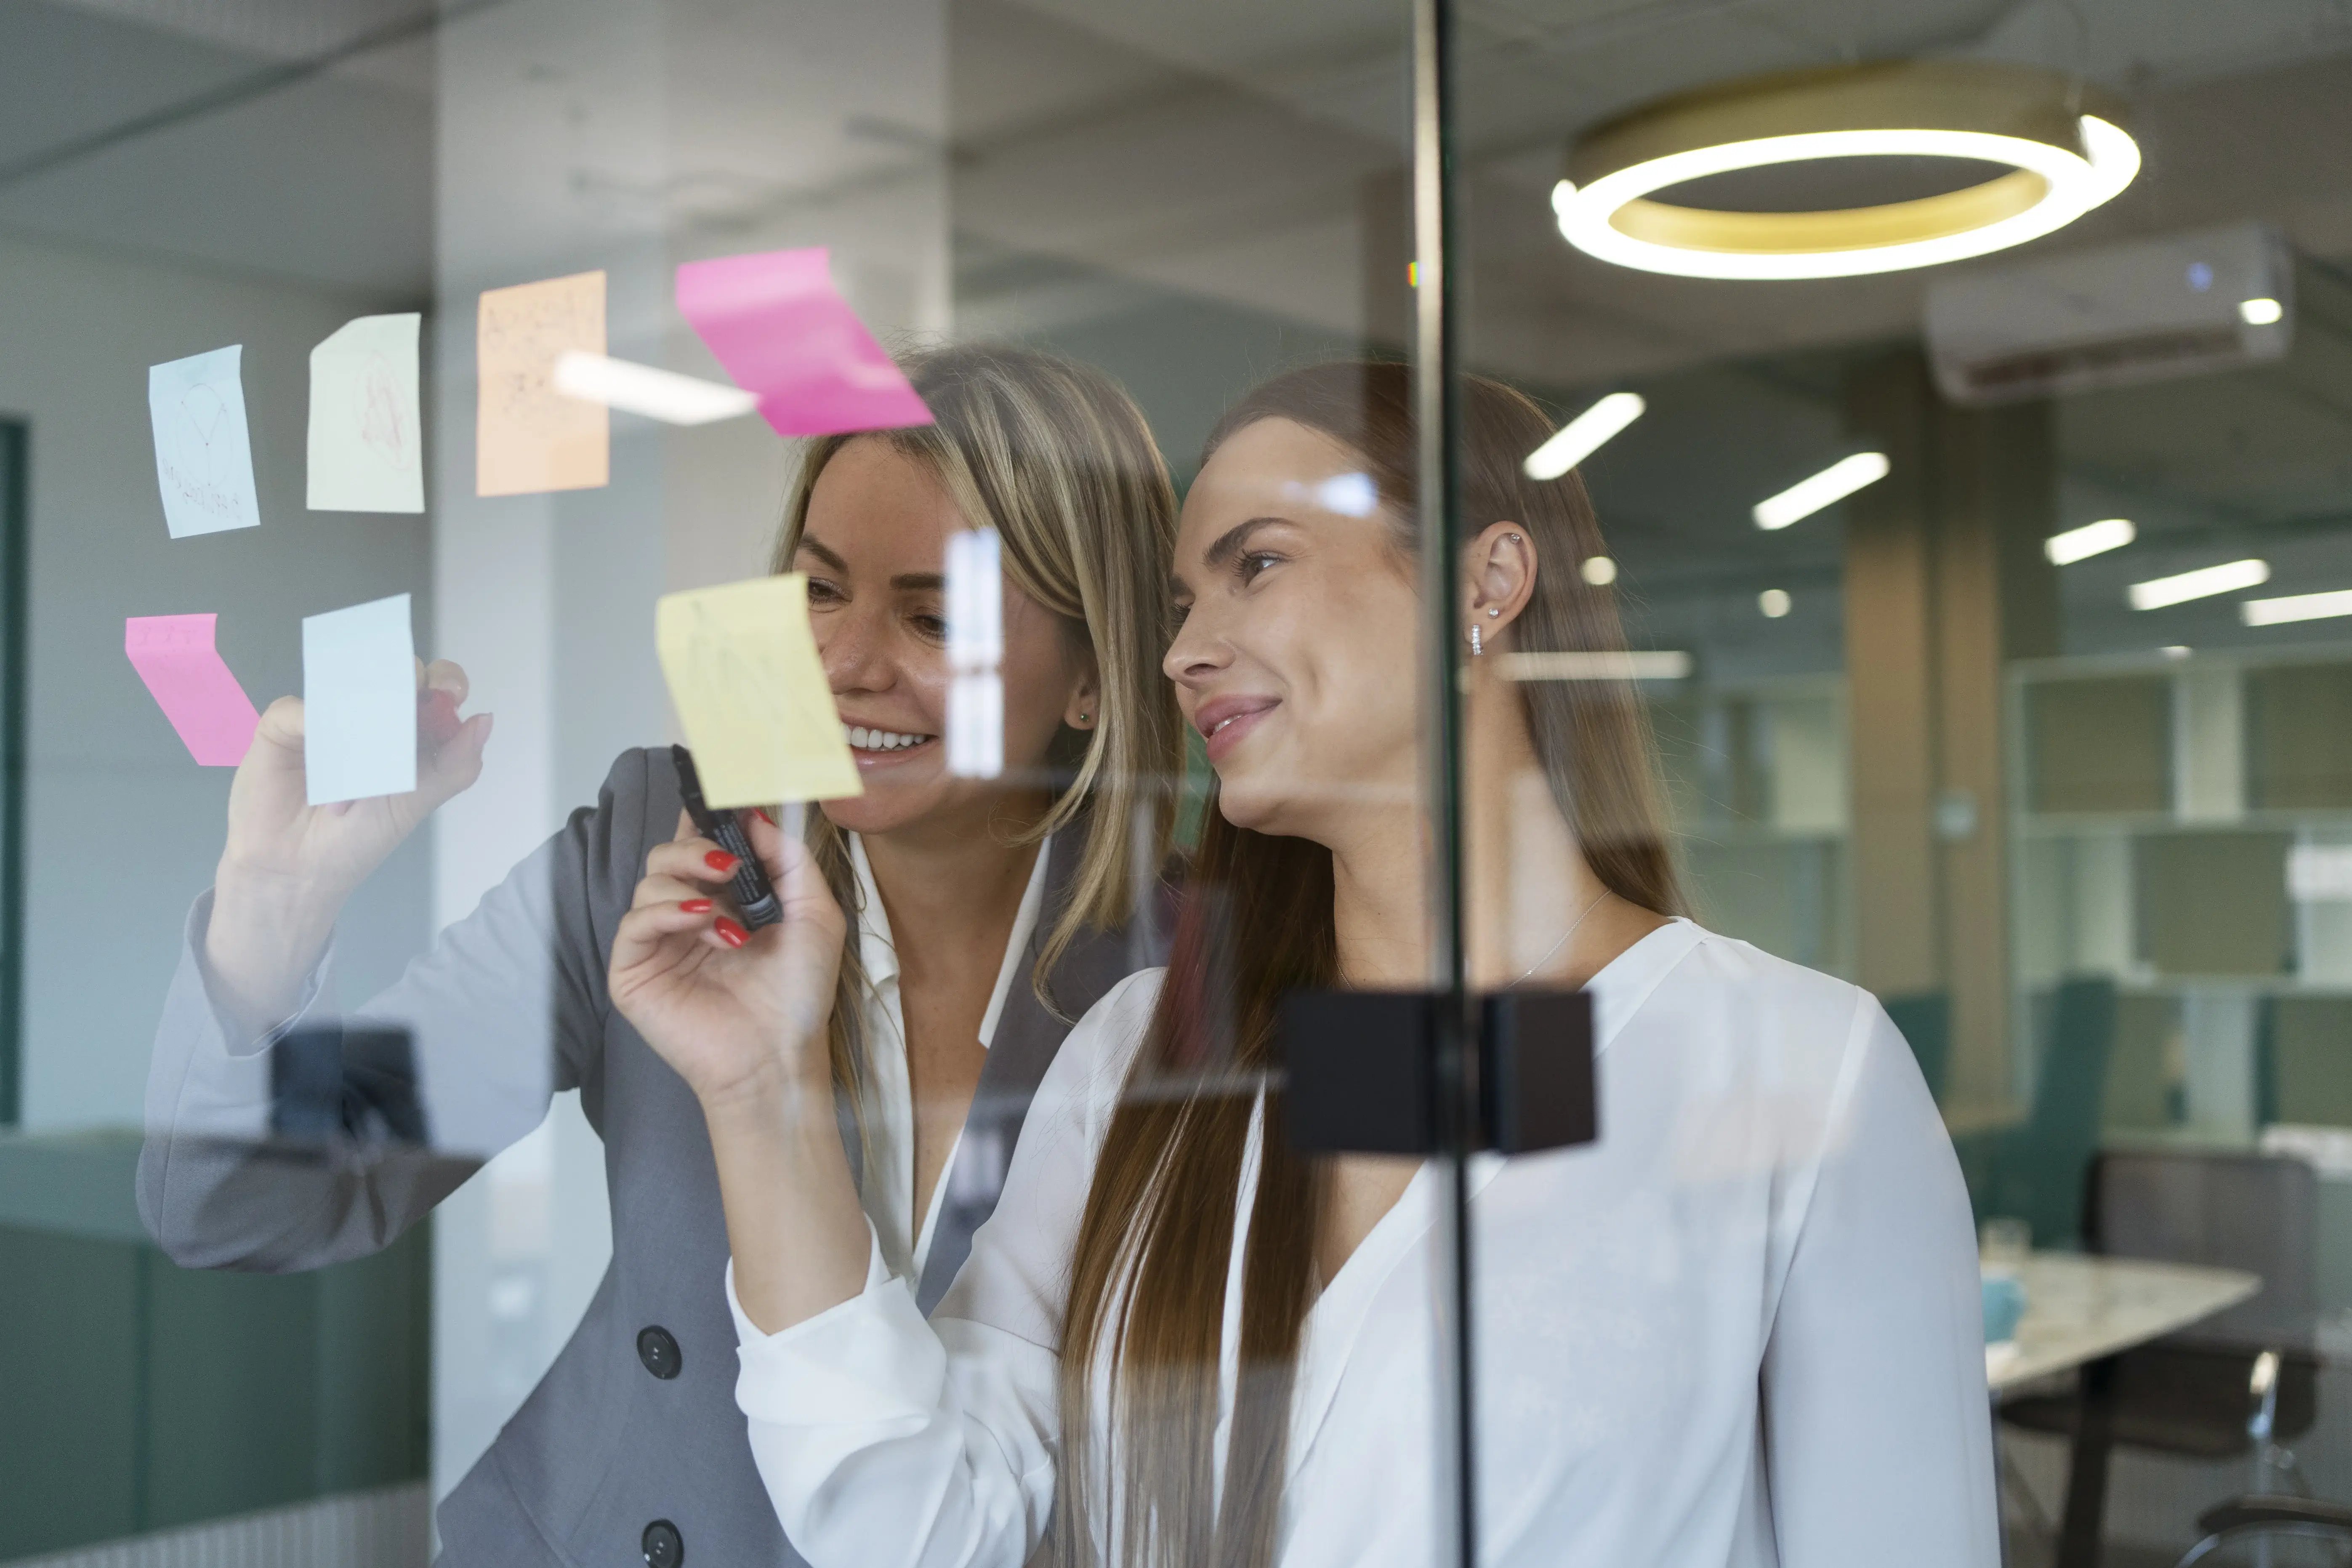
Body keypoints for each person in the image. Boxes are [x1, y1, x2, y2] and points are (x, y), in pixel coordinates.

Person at [609, 362, 1998, 1567]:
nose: (1184, 651)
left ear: (1484, 581)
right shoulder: (1146, 1057)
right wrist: (757, 1089)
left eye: (1254, 565)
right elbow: (911, 1522)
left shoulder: (1795, 1073)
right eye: (1175, 600)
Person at [136, 343, 1184, 1567]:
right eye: (818, 592)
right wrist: (274, 900)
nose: (844, 661)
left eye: (932, 615)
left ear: (1093, 681)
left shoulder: (1181, 968)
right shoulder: (656, 846)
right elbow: (240, 1209)